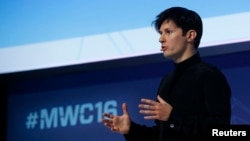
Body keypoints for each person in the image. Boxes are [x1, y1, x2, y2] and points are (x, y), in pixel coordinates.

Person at [101, 6, 231, 140]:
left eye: (168, 32)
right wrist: (131, 130)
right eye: (161, 33)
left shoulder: (209, 75)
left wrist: (172, 116)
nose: (161, 39)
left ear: (190, 35)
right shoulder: (166, 81)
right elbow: (162, 135)